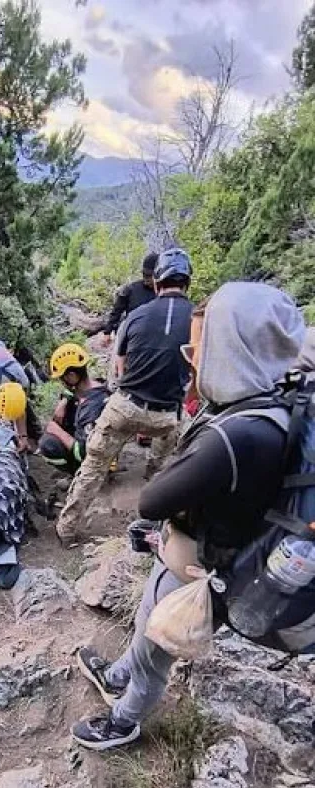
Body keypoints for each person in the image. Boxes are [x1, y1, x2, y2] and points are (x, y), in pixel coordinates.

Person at [70, 281, 306, 750]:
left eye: (198, 347)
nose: (191, 358)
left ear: (231, 350)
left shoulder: (234, 435)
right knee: (146, 625)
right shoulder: (277, 403)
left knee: (159, 648)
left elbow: (151, 500)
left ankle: (124, 720)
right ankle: (118, 673)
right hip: (222, 552)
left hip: (200, 570)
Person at [56, 248, 194, 544]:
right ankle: (152, 479)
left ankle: (66, 530)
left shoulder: (137, 316)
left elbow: (119, 368)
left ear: (156, 283)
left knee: (92, 465)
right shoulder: (199, 320)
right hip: (166, 415)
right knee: (170, 449)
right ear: (187, 283)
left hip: (125, 407)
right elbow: (198, 375)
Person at [39, 343, 110, 475]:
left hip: (95, 457)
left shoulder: (92, 408)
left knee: (47, 444)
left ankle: (79, 473)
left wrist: (57, 431)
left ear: (71, 376)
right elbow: (70, 392)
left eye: (63, 378)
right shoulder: (95, 385)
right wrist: (64, 401)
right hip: (95, 442)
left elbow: (84, 452)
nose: (62, 382)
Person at [100, 252, 159, 348]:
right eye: (144, 275)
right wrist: (107, 332)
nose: (146, 279)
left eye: (149, 276)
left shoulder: (163, 293)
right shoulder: (131, 289)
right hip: (132, 339)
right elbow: (116, 311)